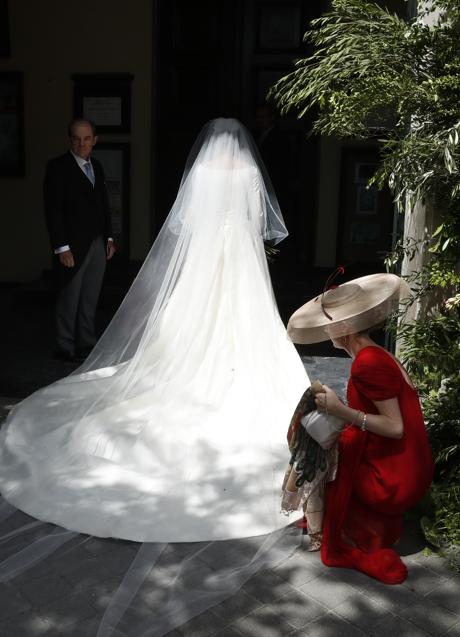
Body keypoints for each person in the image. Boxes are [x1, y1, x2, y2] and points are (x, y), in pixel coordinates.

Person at [0, 118, 308, 543]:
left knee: (190, 317)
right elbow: (258, 222)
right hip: (240, 260)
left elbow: (185, 222)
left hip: (203, 258)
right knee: (243, 313)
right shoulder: (250, 173)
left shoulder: (199, 172)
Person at [287, 271, 434, 584]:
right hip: (411, 468)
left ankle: (360, 529)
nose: (327, 330)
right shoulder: (377, 354)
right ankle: (378, 528)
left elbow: (395, 428)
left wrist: (340, 410)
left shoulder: (369, 362)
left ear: (345, 327)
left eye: (331, 323)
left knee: (321, 457)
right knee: (329, 445)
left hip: (395, 479)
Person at [43, 118, 115, 363]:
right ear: (70, 139)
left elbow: (105, 205)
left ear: (94, 141)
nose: (81, 143)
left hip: (97, 243)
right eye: (76, 138)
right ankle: (65, 347)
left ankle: (86, 343)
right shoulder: (57, 167)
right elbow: (53, 211)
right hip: (71, 246)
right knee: (69, 296)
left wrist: (109, 237)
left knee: (90, 296)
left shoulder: (98, 166)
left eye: (86, 139)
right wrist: (61, 247)